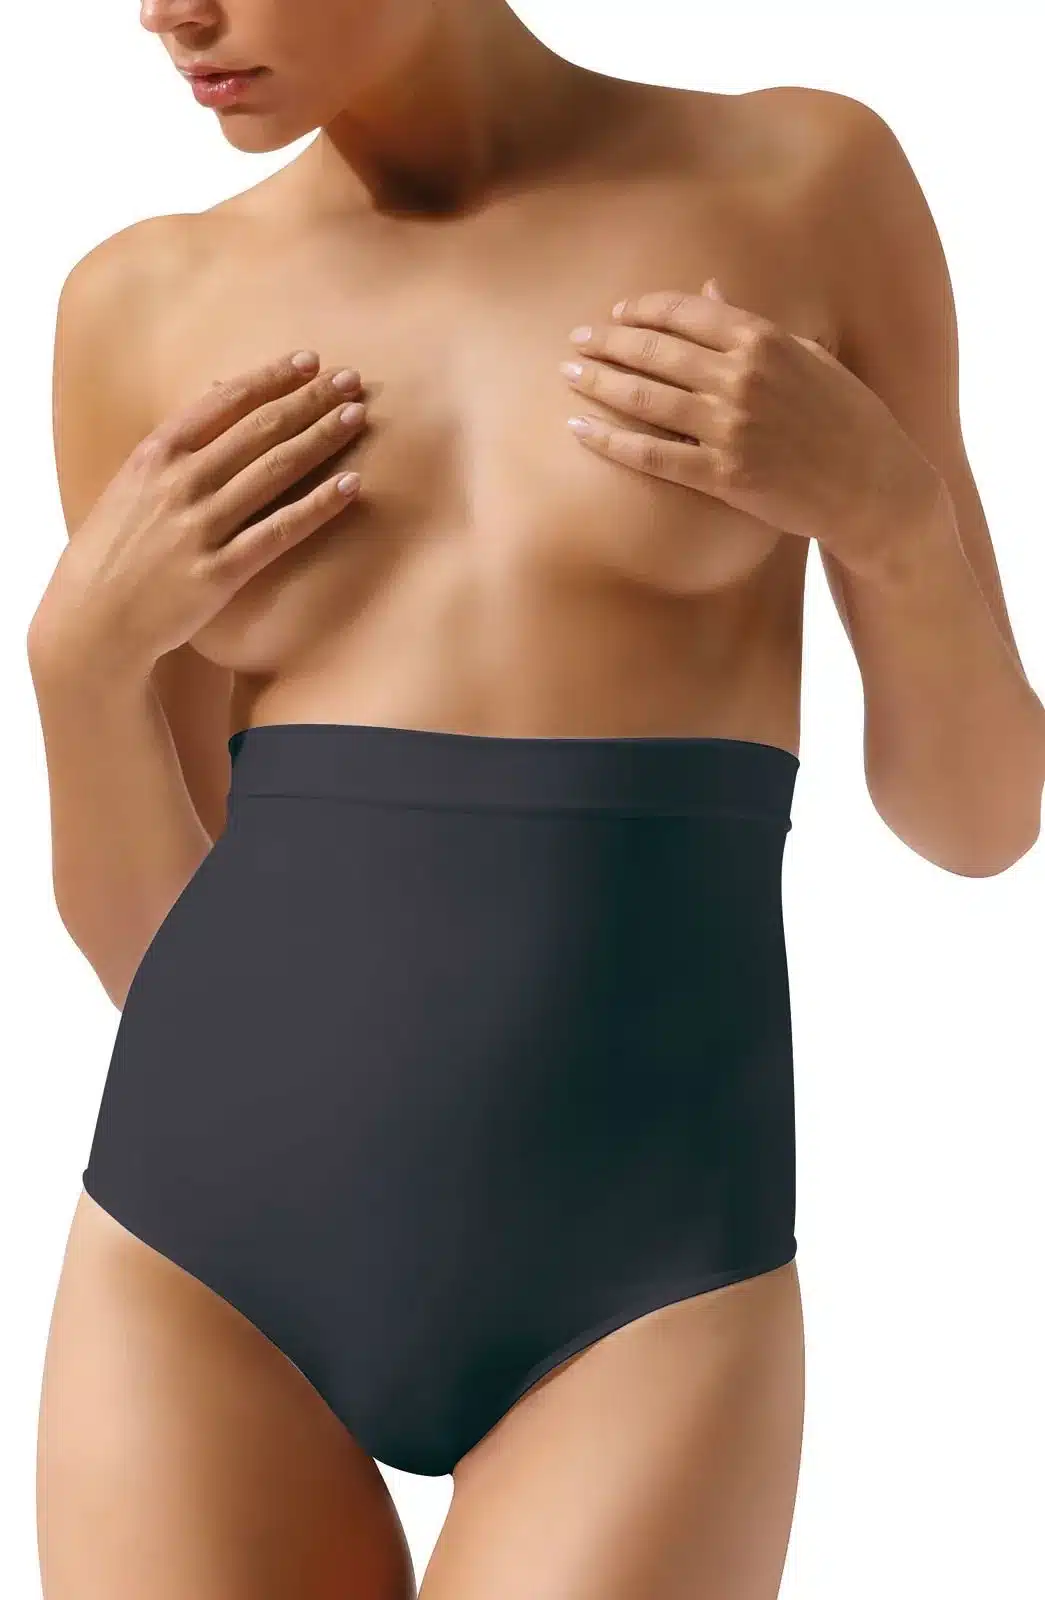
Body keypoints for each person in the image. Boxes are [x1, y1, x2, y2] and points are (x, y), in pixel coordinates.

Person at [28, 2, 1045, 1597]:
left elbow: (978, 821)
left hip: (648, 1279)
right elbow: (156, 957)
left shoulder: (802, 180)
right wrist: (74, 675)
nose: (168, 11)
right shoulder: (141, 299)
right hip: (191, 1261)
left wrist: (892, 521)